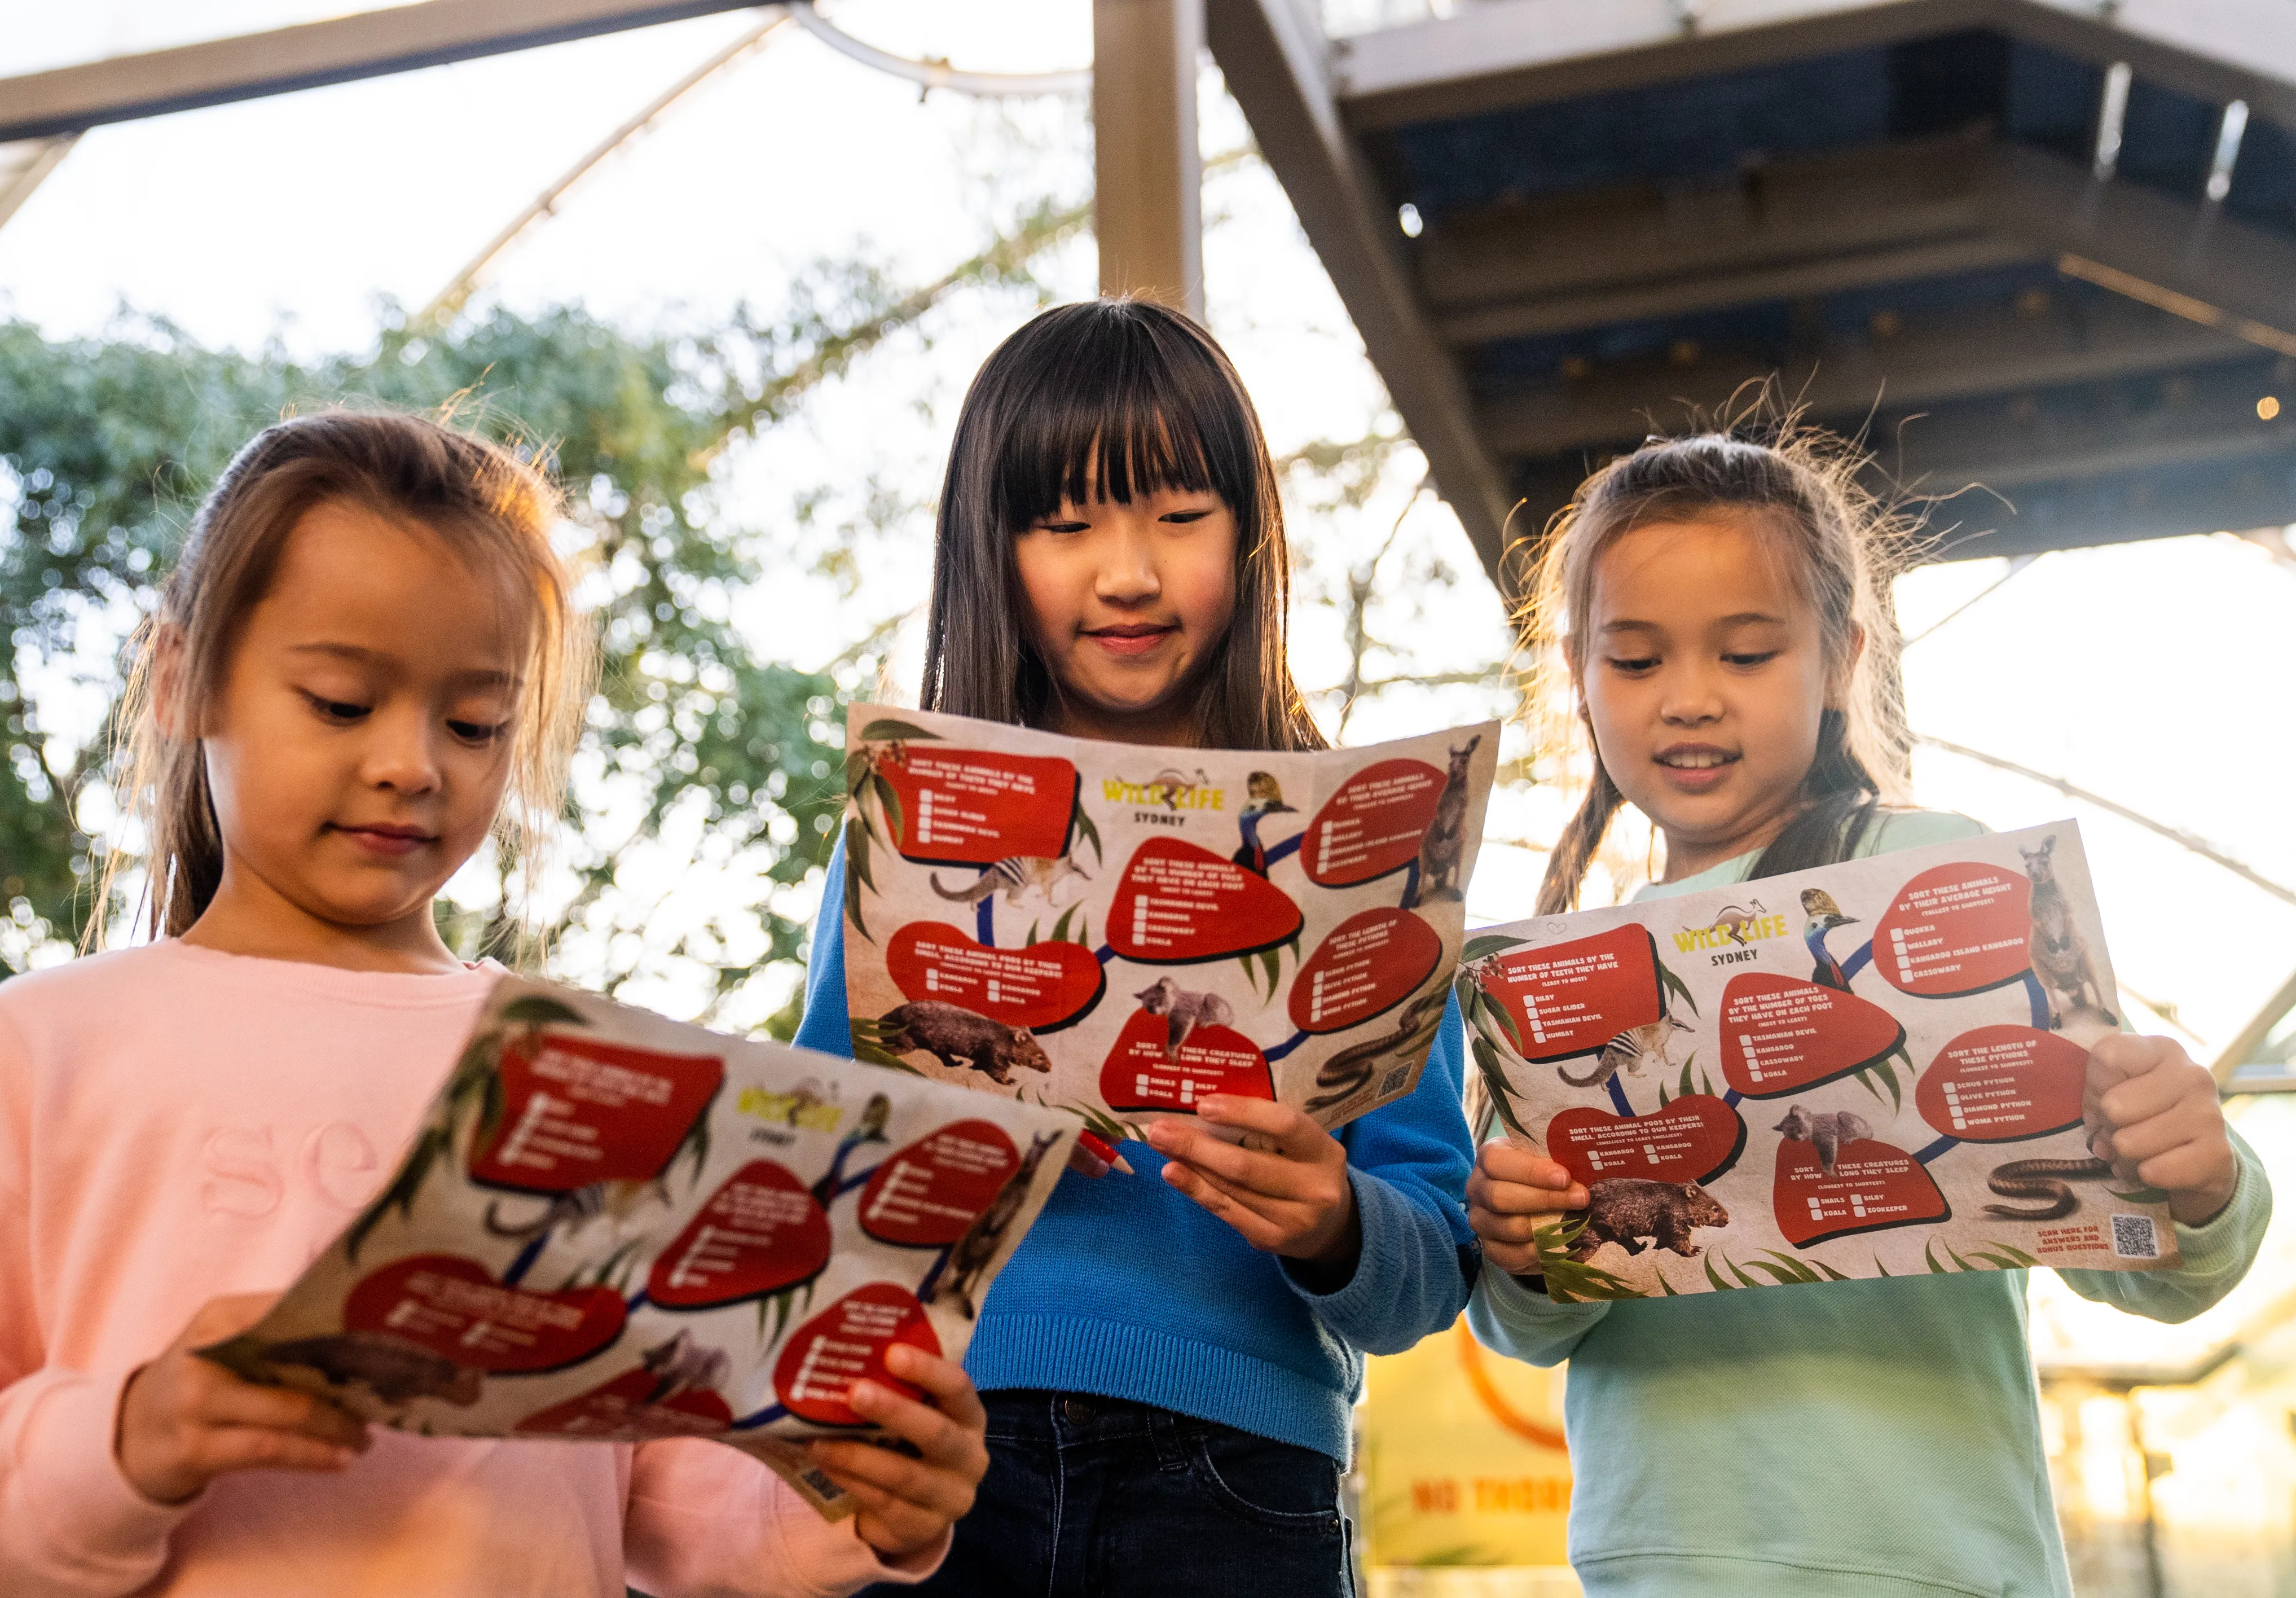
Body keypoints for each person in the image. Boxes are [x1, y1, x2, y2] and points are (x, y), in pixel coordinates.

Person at [0, 410, 984, 1597]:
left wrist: (861, 1492)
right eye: (339, 701)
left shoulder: (595, 1077)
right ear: (180, 681)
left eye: (474, 723)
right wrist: (122, 1438)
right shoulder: (39, 1051)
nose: (413, 765)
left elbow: (675, 1495)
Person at [1450, 429, 2271, 1597]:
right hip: (1665, 1569)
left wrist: (2197, 1174)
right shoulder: (1560, 982)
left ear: (1839, 656)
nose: (1686, 699)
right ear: (1574, 671)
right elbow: (1525, 1330)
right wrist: (1520, 1251)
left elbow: (2145, 1264)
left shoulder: (1942, 883)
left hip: (1936, 1561)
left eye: (1743, 652)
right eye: (1632, 661)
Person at [794, 300, 1477, 1596]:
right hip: (937, 1456)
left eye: (1178, 517)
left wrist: (1330, 1222)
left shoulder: (1360, 852)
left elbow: (1429, 1266)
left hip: (1240, 1476)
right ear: (990, 549)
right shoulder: (902, 837)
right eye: (1065, 523)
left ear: (1251, 535)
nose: (1126, 572)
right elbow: (817, 1167)